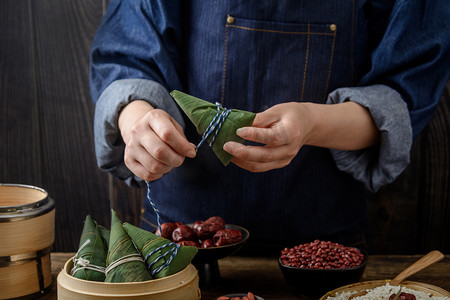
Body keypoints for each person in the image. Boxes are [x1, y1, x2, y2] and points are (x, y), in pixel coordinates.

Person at [89, 0, 450, 252]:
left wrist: (311, 123)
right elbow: (126, 55)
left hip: (322, 245)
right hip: (181, 239)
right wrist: (138, 120)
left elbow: (405, 92)